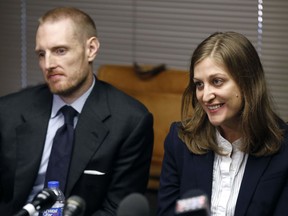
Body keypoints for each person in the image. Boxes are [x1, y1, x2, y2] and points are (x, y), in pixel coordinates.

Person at [0, 7, 154, 216]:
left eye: (60, 51)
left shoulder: (130, 121)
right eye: (41, 54)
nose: (48, 64)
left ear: (91, 49)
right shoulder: (8, 112)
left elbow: (116, 210)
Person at [157, 31, 288, 216]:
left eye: (217, 81)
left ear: (247, 83)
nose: (205, 95)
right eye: (199, 84)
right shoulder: (180, 140)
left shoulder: (283, 149)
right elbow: (170, 210)